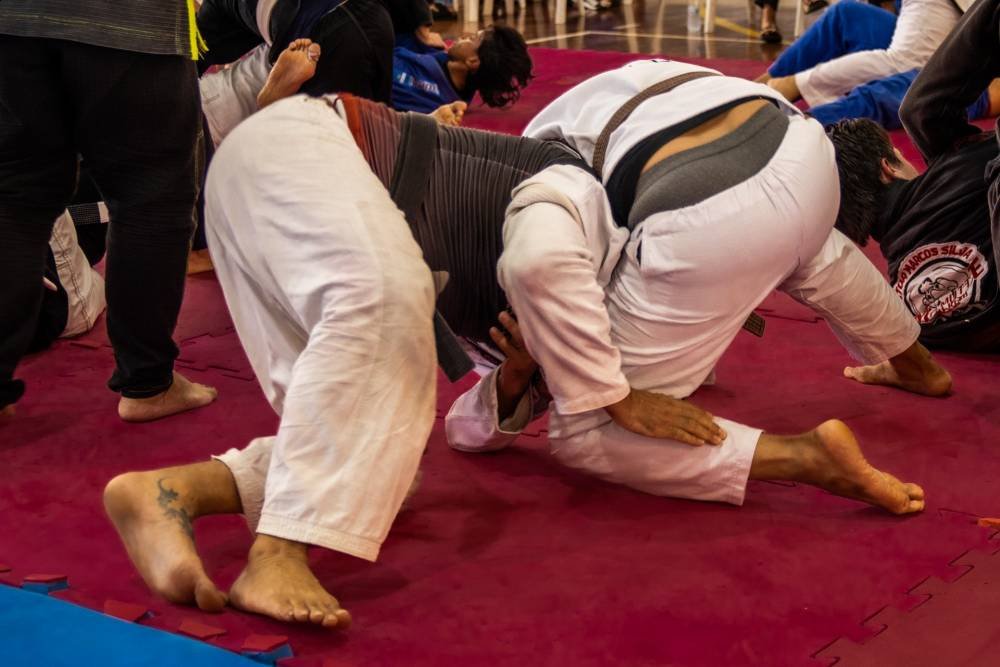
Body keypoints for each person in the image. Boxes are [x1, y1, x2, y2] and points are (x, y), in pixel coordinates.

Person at [105, 59, 949, 628]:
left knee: (368, 449)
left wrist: (519, 373)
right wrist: (612, 390)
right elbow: (544, 264)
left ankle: (169, 493)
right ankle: (276, 555)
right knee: (393, 309)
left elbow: (461, 431)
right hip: (307, 152)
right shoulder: (569, 189)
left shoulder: (532, 311)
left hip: (263, 188)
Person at [493, 58, 951, 508]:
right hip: (805, 152)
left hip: (707, 216)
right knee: (806, 245)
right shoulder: (606, 91)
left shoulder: (540, 179)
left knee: (585, 425)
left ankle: (803, 457)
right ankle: (916, 364)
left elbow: (545, 267)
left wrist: (614, 396)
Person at [0, 0, 218, 422]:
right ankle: (148, 383)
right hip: (129, 21)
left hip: (11, 22)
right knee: (151, 196)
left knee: (12, 198)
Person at [826, 0, 1000, 351]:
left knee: (920, 113)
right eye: (900, 155)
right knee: (919, 112)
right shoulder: (964, 171)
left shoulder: (905, 306)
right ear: (888, 168)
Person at [760, 0, 960, 108]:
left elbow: (902, 62)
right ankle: (763, 84)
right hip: (923, 31)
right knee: (844, 14)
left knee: (899, 81)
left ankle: (807, 115)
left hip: (953, 65)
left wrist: (799, 83)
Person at [392, 26, 533, 114]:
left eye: (472, 38)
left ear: (473, 62)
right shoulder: (437, 55)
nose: (464, 35)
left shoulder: (425, 92)